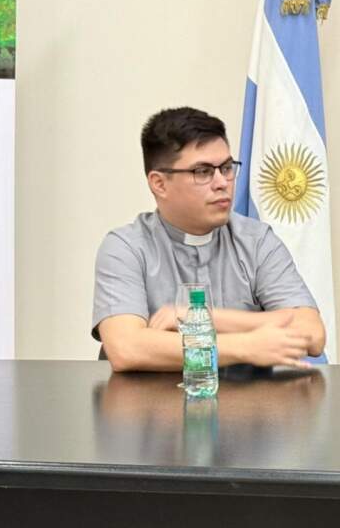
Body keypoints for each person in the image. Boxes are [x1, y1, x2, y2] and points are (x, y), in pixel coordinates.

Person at [92, 107, 325, 372]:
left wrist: (196, 317)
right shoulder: (126, 247)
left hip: (245, 408)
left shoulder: (257, 241)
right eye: (202, 172)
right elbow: (126, 348)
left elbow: (312, 334)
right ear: (159, 184)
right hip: (152, 409)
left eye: (226, 168)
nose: (222, 182)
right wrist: (248, 345)